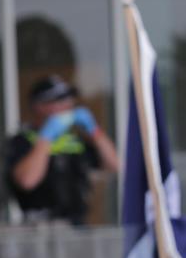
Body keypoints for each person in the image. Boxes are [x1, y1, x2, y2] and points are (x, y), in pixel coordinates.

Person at [7, 75, 120, 225]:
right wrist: (45, 137)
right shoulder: (22, 141)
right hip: (39, 228)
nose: (68, 105)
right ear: (39, 106)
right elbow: (27, 181)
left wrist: (95, 131)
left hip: (78, 225)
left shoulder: (74, 141)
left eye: (69, 99)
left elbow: (115, 165)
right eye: (59, 100)